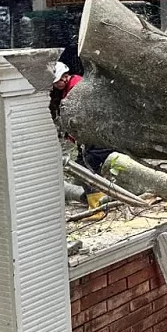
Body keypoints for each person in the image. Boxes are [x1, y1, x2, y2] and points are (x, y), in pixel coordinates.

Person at [53, 62, 110, 219]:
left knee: (85, 168)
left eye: (57, 81)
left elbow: (81, 119)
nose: (55, 85)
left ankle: (98, 208)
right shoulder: (68, 89)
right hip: (91, 137)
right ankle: (101, 198)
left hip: (98, 136)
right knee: (84, 167)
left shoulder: (76, 89)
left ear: (65, 77)